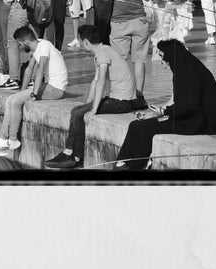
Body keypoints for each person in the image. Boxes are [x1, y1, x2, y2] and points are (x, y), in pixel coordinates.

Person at [113, 38, 216, 170]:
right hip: (185, 117)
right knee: (135, 125)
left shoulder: (187, 73)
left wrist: (163, 113)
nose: (160, 60)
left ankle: (135, 165)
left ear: (170, 56)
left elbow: (188, 105)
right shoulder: (183, 67)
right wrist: (155, 113)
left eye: (162, 56)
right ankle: (122, 162)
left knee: (145, 128)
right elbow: (175, 101)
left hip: (193, 122)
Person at [43, 24, 148, 170]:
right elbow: (95, 80)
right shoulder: (102, 51)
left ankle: (75, 156)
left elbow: (101, 82)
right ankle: (69, 153)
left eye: (80, 41)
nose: (80, 44)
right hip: (119, 99)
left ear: (86, 42)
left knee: (79, 113)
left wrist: (94, 108)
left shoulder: (103, 53)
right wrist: (87, 104)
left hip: (123, 102)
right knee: (77, 110)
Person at [0, 25, 68, 152]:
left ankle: (12, 140)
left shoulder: (44, 46)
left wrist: (34, 94)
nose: (21, 47)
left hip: (55, 90)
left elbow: (39, 71)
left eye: (21, 44)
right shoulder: (37, 46)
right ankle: (2, 137)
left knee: (15, 102)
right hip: (50, 86)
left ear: (27, 42)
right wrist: (22, 91)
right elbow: (29, 69)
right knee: (10, 99)